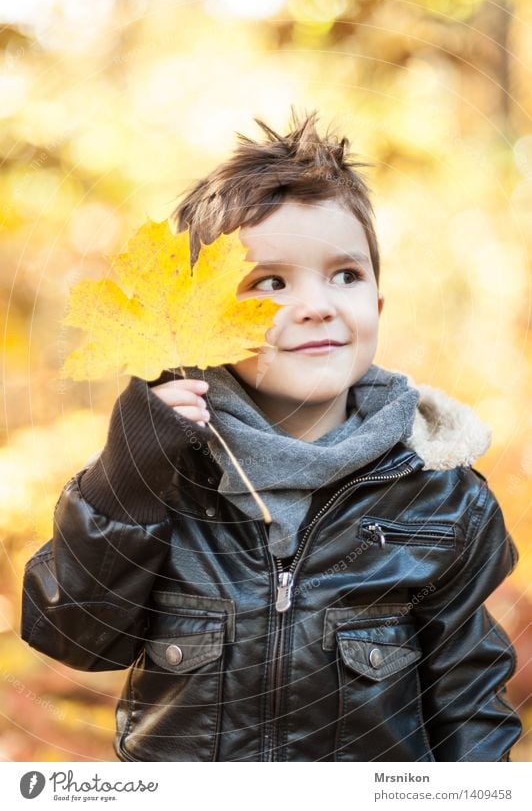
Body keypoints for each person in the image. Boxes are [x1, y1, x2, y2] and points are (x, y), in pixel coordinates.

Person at [21, 109, 522, 762]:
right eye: (271, 282)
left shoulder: (440, 501)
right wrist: (128, 478)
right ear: (210, 324)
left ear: (377, 304)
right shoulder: (167, 479)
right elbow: (77, 637)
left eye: (346, 274)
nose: (317, 303)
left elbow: (468, 704)